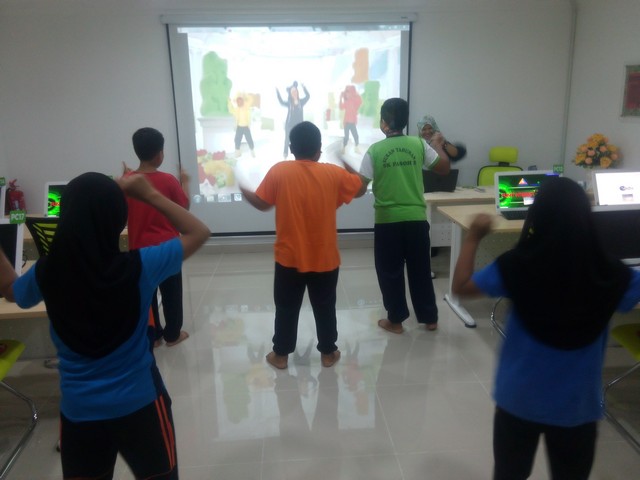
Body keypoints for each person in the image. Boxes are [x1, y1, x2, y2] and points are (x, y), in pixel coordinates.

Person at [0, 172, 210, 479]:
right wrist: (148, 194)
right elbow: (199, 232)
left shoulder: (46, 273)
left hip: (80, 411)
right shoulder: (141, 266)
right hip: (141, 404)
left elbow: (11, 290)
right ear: (118, 218)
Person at [451, 177, 640, 480]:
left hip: (518, 399)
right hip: (577, 406)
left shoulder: (516, 264)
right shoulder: (613, 273)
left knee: (509, 474)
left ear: (536, 215)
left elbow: (461, 286)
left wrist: (473, 237)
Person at [240, 121, 367, 369]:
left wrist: (243, 189)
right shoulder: (333, 173)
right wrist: (344, 159)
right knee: (325, 306)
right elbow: (361, 187)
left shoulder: (280, 171)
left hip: (289, 258)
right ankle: (328, 353)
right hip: (325, 258)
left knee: (286, 307)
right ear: (319, 150)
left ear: (291, 148)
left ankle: (280, 355)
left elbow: (262, 203)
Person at [358, 98, 450, 333]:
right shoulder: (418, 144)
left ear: (384, 123)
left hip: (388, 222)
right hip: (417, 220)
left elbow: (359, 189)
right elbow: (443, 168)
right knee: (420, 269)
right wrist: (438, 145)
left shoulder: (374, 150)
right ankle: (430, 318)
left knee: (390, 272)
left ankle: (396, 321)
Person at [124, 127, 191, 348]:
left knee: (146, 295)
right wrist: (185, 181)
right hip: (167, 249)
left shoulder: (128, 181)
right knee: (172, 294)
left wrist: (127, 175)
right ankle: (173, 335)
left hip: (139, 250)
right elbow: (184, 206)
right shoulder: (169, 180)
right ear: (159, 155)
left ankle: (152, 336)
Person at [276, 81, 310, 159]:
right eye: (292, 92)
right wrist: (277, 91)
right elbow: (281, 102)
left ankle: (299, 156)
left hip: (299, 125)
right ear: (290, 94)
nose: (294, 93)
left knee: (299, 140)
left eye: (295, 91)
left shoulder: (301, 102)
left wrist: (304, 86)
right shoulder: (289, 103)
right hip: (289, 125)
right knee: (287, 140)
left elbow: (308, 96)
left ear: (297, 92)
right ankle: (285, 155)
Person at [339, 85, 362, 154]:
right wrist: (340, 98)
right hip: (346, 122)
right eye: (346, 93)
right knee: (346, 137)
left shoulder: (355, 101)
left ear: (352, 92)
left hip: (352, 123)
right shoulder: (347, 102)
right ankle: (343, 148)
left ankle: (356, 148)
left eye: (348, 92)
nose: (347, 94)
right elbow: (341, 107)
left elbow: (360, 101)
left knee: (356, 136)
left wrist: (354, 94)